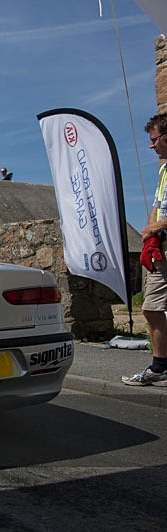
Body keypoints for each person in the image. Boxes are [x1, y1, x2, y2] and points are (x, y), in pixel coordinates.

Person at [123, 113, 167, 386]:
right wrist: (151, 232)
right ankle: (160, 367)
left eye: (155, 139)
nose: (151, 146)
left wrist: (156, 227)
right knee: (151, 308)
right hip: (161, 251)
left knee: (151, 308)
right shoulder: (164, 170)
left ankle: (160, 367)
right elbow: (156, 205)